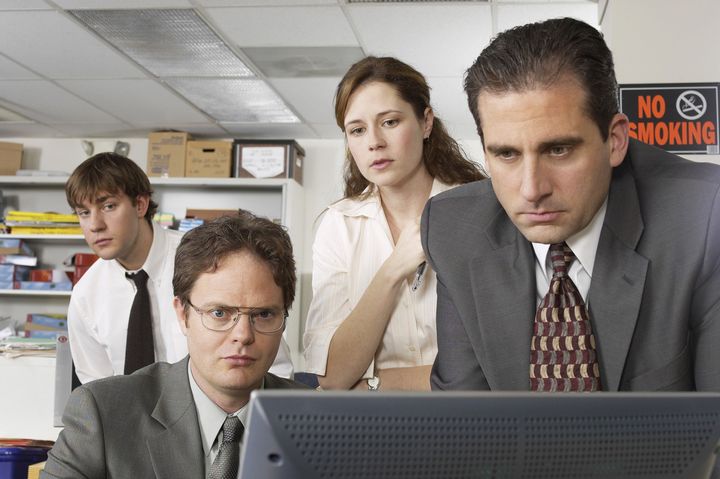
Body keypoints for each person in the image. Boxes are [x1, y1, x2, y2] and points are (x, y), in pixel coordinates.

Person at [421, 17, 720, 392]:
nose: (532, 189)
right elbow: (465, 425)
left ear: (614, 141)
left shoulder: (704, 215)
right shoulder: (454, 230)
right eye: (506, 154)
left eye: (558, 150)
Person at [43, 212, 307, 478]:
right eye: (219, 313)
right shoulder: (102, 413)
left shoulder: (320, 421)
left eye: (263, 314)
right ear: (182, 315)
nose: (243, 335)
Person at [303, 56, 485, 391]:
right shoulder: (339, 225)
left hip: (469, 427)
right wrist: (394, 268)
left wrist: (374, 386)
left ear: (426, 122)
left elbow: (491, 369)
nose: (374, 141)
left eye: (389, 122)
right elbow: (332, 377)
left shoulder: (479, 212)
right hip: (374, 435)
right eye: (357, 130)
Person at [65, 152, 293, 383]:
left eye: (109, 206)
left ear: (141, 204)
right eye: (84, 213)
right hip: (132, 416)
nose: (95, 225)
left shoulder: (205, 262)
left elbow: (274, 369)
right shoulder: (86, 295)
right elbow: (97, 390)